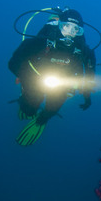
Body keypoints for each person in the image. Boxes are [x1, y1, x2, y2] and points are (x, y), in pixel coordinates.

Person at [9, 8, 96, 146]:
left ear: (80, 32)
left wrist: (87, 96)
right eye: (66, 26)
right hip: (36, 79)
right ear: (59, 25)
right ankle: (25, 101)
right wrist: (24, 77)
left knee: (51, 109)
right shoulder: (41, 41)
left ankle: (41, 121)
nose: (70, 32)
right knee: (29, 108)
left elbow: (90, 75)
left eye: (75, 29)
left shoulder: (84, 50)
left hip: (62, 84)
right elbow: (13, 63)